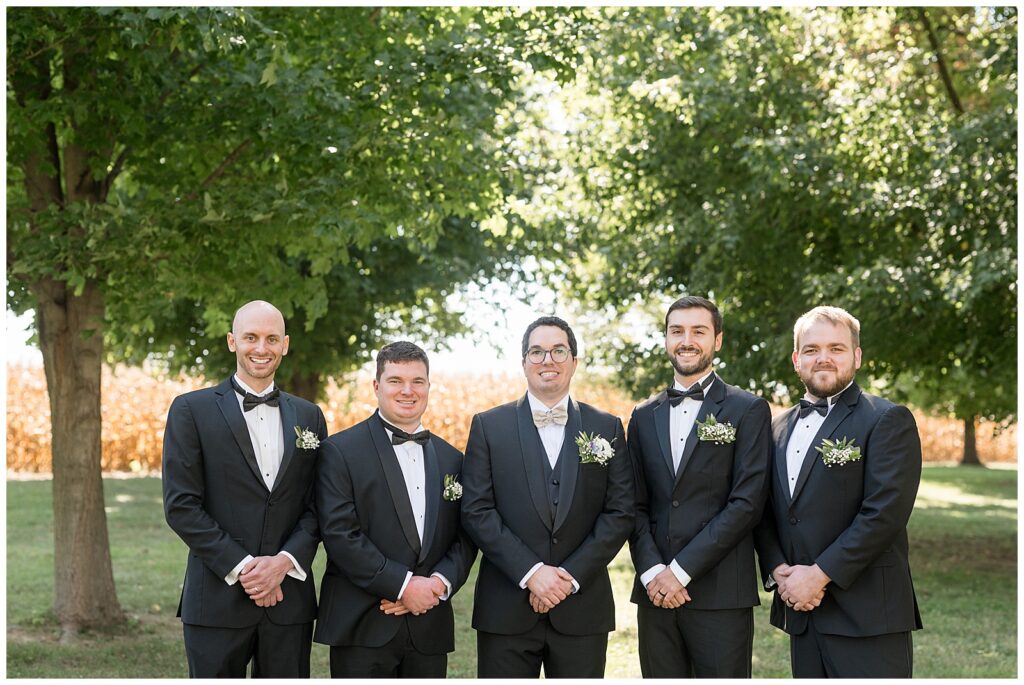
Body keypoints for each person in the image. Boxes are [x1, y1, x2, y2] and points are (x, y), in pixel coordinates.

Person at [754, 305, 922, 677]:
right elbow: (763, 510)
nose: (823, 358)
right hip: (802, 613)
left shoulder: (886, 419)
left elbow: (884, 514)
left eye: (836, 348)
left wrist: (818, 576)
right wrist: (778, 568)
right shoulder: (775, 427)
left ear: (857, 356)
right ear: (797, 360)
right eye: (811, 350)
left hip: (868, 616)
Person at [461, 315, 634, 678]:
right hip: (506, 607)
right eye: (537, 352)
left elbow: (619, 512)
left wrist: (568, 577)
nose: (548, 360)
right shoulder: (488, 426)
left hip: (582, 608)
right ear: (524, 362)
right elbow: (477, 511)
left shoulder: (607, 427)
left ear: (574, 360)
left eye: (558, 350)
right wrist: (532, 573)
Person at [163, 300, 327, 677]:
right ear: (231, 341)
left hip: (289, 601)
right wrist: (247, 570)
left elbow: (318, 505)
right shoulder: (191, 410)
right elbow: (181, 506)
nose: (261, 348)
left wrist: (283, 563)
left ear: (285, 344)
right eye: (250, 337)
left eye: (271, 339)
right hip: (217, 600)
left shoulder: (309, 416)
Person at [628, 296, 771, 677]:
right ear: (665, 339)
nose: (686, 340)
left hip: (721, 594)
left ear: (717, 340)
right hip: (655, 593)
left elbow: (747, 503)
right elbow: (634, 505)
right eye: (677, 331)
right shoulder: (643, 416)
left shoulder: (748, 409)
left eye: (698, 331)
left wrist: (681, 571)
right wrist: (653, 572)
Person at [314, 341, 476, 678]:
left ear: (429, 387)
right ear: (376, 386)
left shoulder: (453, 459)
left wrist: (436, 585)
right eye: (395, 380)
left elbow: (465, 535)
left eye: (418, 381)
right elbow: (341, 534)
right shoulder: (340, 451)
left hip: (428, 625)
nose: (408, 391)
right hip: (362, 624)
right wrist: (403, 586)